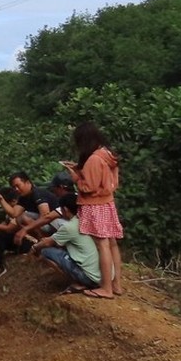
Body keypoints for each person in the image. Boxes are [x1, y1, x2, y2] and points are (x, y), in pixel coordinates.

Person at [63, 122, 124, 299]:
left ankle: (106, 288)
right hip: (107, 203)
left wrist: (76, 178)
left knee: (101, 244)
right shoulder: (107, 155)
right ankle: (116, 284)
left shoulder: (93, 160)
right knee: (111, 242)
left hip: (94, 205)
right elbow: (109, 181)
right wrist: (81, 169)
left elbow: (88, 186)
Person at [30, 193, 102, 294]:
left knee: (45, 251)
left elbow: (46, 243)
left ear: (65, 209)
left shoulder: (69, 227)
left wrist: (35, 247)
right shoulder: (83, 221)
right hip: (101, 277)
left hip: (89, 278)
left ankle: (77, 282)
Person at [3, 172, 60, 242]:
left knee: (23, 217)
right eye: (14, 187)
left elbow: (45, 216)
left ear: (27, 182)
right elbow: (14, 214)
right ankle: (41, 240)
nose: (16, 189)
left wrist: (25, 229)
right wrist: (1, 200)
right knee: (19, 218)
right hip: (45, 223)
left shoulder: (38, 193)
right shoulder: (23, 197)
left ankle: (44, 240)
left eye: (18, 186)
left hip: (56, 224)